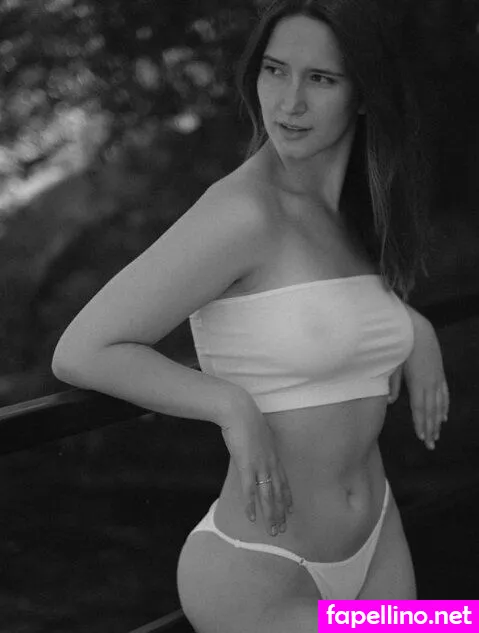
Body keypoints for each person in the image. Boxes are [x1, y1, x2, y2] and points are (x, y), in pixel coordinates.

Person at [52, 0, 450, 630]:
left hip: (379, 537)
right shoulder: (241, 212)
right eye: (275, 70)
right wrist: (230, 405)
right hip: (263, 569)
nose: (290, 102)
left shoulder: (345, 211)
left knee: (457, 622)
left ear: (364, 94)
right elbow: (81, 351)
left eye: (321, 79)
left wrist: (413, 329)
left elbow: (328, 310)